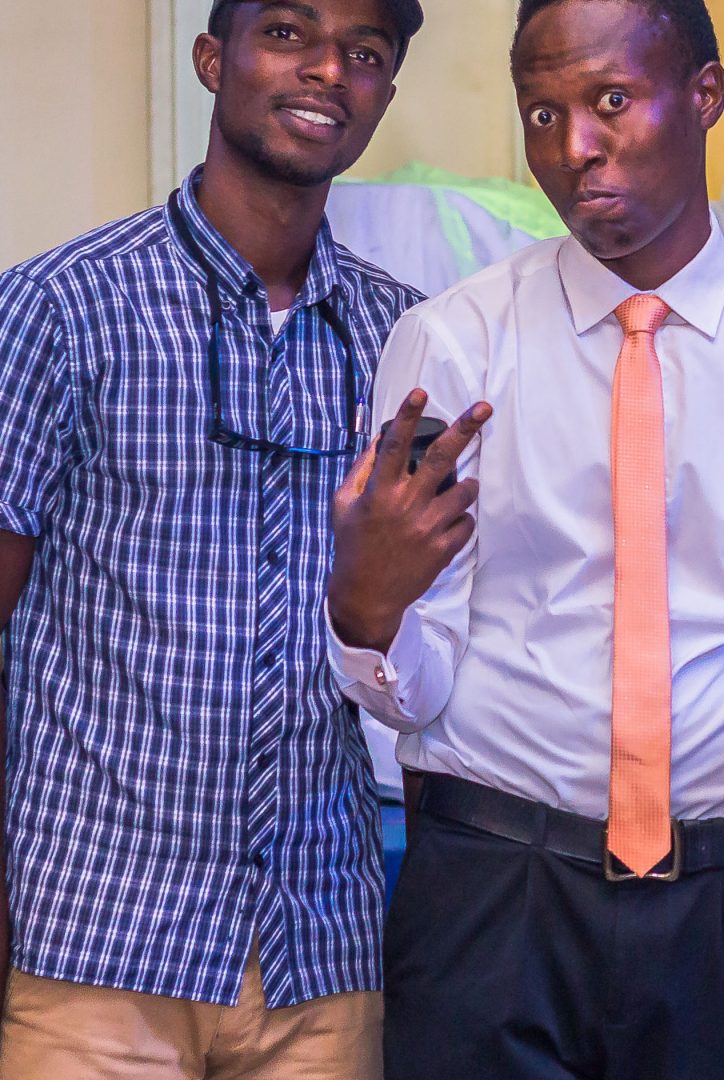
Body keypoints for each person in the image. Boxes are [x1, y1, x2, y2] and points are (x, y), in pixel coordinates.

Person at [322, 0, 724, 1076]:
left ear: (705, 95)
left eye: (609, 102)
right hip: (489, 894)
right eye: (542, 114)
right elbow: (411, 693)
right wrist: (366, 611)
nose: (572, 147)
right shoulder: (452, 340)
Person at [0, 0, 424, 1075]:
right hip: (91, 950)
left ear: (383, 95)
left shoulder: (404, 340)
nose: (326, 69)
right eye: (287, 33)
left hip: (322, 958)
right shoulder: (62, 307)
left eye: (364, 53)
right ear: (210, 58)